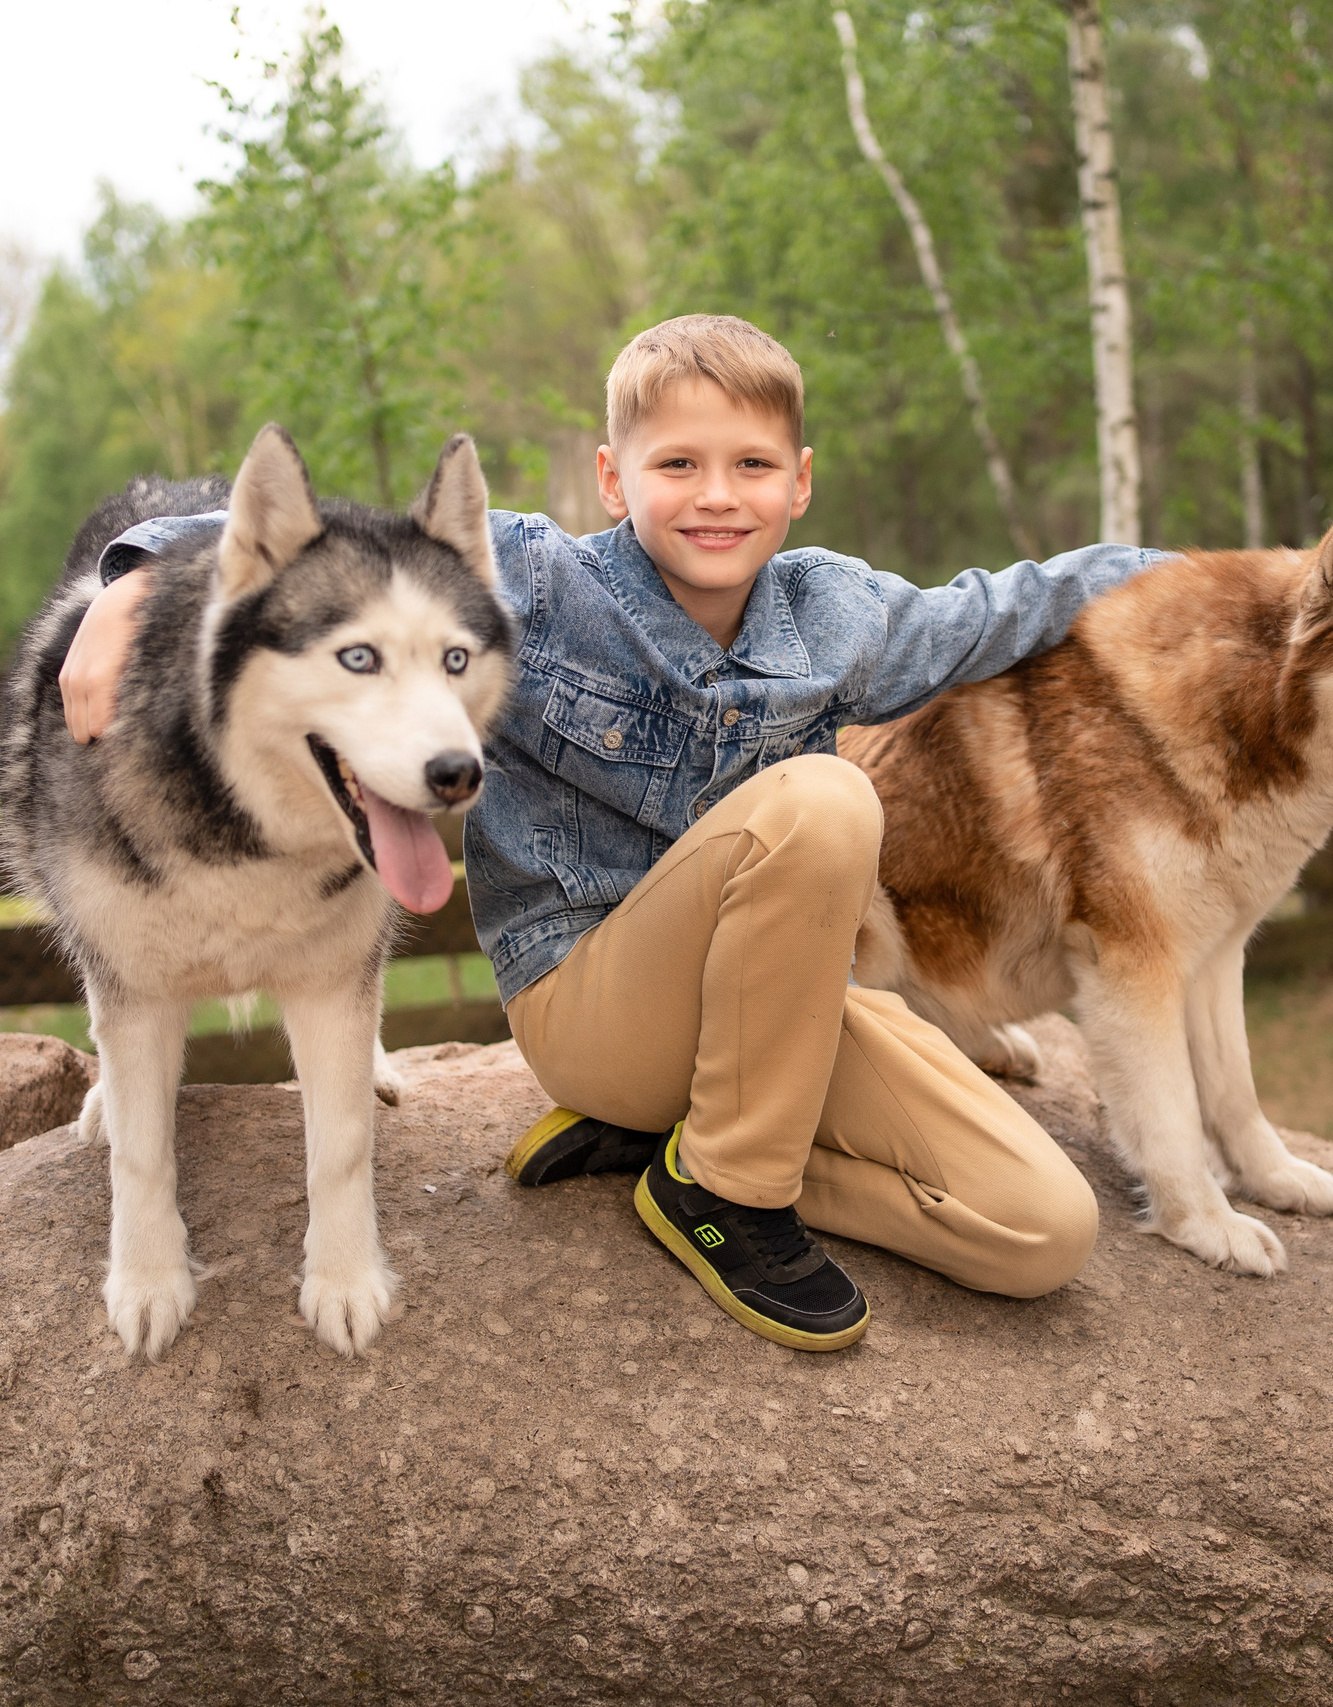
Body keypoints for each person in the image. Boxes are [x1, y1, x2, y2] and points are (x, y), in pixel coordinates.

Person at [59, 313, 1159, 1352]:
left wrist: (1232, 580)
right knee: (826, 803)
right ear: (611, 476)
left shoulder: (843, 614)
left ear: (801, 482)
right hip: (593, 1005)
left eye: (752, 466)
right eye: (677, 464)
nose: (716, 496)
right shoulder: (535, 576)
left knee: (1042, 1232)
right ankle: (728, 1198)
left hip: (768, 1018)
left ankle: (684, 1162)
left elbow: (1012, 604)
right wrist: (136, 576)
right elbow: (313, 550)